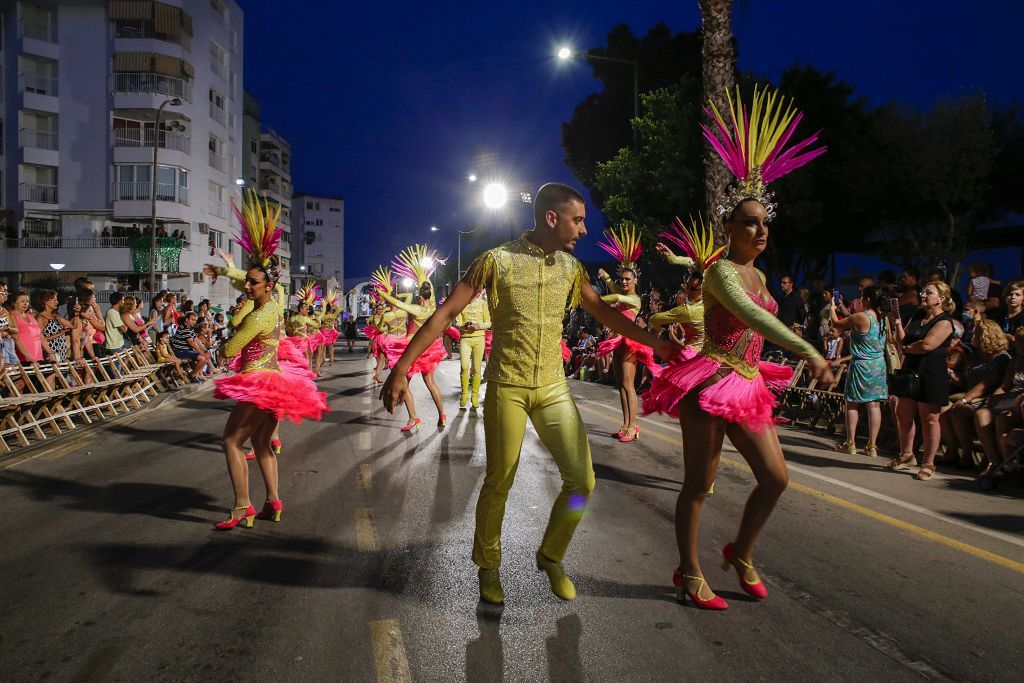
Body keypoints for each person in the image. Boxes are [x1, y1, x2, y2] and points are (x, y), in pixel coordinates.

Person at [381, 182, 676, 605]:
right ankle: (487, 565)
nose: (584, 230)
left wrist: (659, 343)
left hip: (554, 387)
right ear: (551, 218)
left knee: (583, 481)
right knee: (500, 479)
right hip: (508, 386)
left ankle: (552, 554)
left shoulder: (572, 269)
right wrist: (402, 367)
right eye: (578, 220)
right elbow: (445, 312)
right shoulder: (495, 261)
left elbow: (605, 312)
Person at [643, 86, 831, 610]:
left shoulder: (760, 272)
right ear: (728, 226)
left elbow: (761, 313)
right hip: (708, 382)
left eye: (764, 222)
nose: (760, 229)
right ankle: (688, 570)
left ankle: (741, 552)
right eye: (750, 221)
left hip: (747, 383)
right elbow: (751, 316)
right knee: (699, 485)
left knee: (775, 478)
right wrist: (809, 351)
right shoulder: (721, 271)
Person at [211, 191, 328, 529]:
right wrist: (232, 270)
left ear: (268, 284)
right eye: (246, 280)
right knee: (262, 442)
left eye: (252, 282)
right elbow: (255, 283)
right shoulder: (275, 302)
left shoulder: (259, 315)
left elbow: (230, 350)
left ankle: (242, 506)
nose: (246, 286)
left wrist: (222, 345)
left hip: (258, 381)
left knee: (231, 442)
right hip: (274, 380)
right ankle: (273, 502)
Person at [593, 224, 663, 442]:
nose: (623, 282)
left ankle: (634, 426)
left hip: (630, 342)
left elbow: (613, 298)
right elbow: (615, 291)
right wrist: (605, 278)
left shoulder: (634, 299)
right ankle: (625, 424)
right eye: (621, 279)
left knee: (628, 384)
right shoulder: (622, 291)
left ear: (635, 280)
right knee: (620, 384)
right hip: (617, 341)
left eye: (627, 279)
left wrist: (590, 299)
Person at [886, 280, 956, 481]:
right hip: (911, 369)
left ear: (941, 298)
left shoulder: (945, 322)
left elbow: (927, 345)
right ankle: (907, 454)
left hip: (931, 371)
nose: (924, 295)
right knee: (903, 412)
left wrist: (906, 349)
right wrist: (898, 324)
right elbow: (902, 339)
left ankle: (929, 462)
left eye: (929, 292)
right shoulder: (918, 315)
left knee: (929, 417)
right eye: (924, 292)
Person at [377, 245, 448, 431]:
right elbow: (427, 287)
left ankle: (413, 418)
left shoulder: (416, 309)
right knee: (431, 384)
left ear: (419, 295)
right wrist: (423, 276)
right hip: (430, 349)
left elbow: (396, 302)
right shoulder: (433, 309)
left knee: (404, 382)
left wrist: (383, 294)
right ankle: (442, 414)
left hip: (414, 348)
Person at [830, 286, 888, 456]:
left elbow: (836, 323)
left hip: (861, 365)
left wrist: (832, 308)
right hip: (878, 364)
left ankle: (851, 443)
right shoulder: (884, 318)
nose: (860, 299)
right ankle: (872, 446)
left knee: (852, 403)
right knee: (874, 404)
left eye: (862, 296)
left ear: (868, 300)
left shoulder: (862, 317)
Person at [455, 289, 491, 410]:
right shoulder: (461, 304)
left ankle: (474, 396)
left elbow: (489, 323)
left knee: (476, 368)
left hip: (479, 339)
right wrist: (464, 326)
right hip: (465, 339)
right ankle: (464, 393)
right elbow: (457, 323)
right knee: (464, 366)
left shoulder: (483, 304)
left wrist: (478, 325)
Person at [170, 311, 210, 382]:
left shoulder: (190, 328)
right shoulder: (184, 328)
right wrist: (202, 353)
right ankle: (193, 375)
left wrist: (205, 350)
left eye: (195, 320)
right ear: (187, 320)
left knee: (206, 355)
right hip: (180, 351)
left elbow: (196, 340)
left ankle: (198, 374)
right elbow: (192, 343)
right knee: (202, 358)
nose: (194, 322)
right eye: (192, 320)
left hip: (187, 351)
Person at [35, 290, 71, 363]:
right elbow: (40, 338)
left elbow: (73, 325)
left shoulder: (55, 316)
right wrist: (59, 334)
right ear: (45, 301)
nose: (57, 302)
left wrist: (76, 313)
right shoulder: (41, 318)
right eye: (54, 300)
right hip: (50, 354)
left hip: (61, 353)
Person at [0, 283, 18, 368]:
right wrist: (5, 332)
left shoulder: (4, 310)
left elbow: (15, 330)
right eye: (3, 292)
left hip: (8, 347)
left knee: (15, 376)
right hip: (2, 348)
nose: (6, 294)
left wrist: (7, 328)